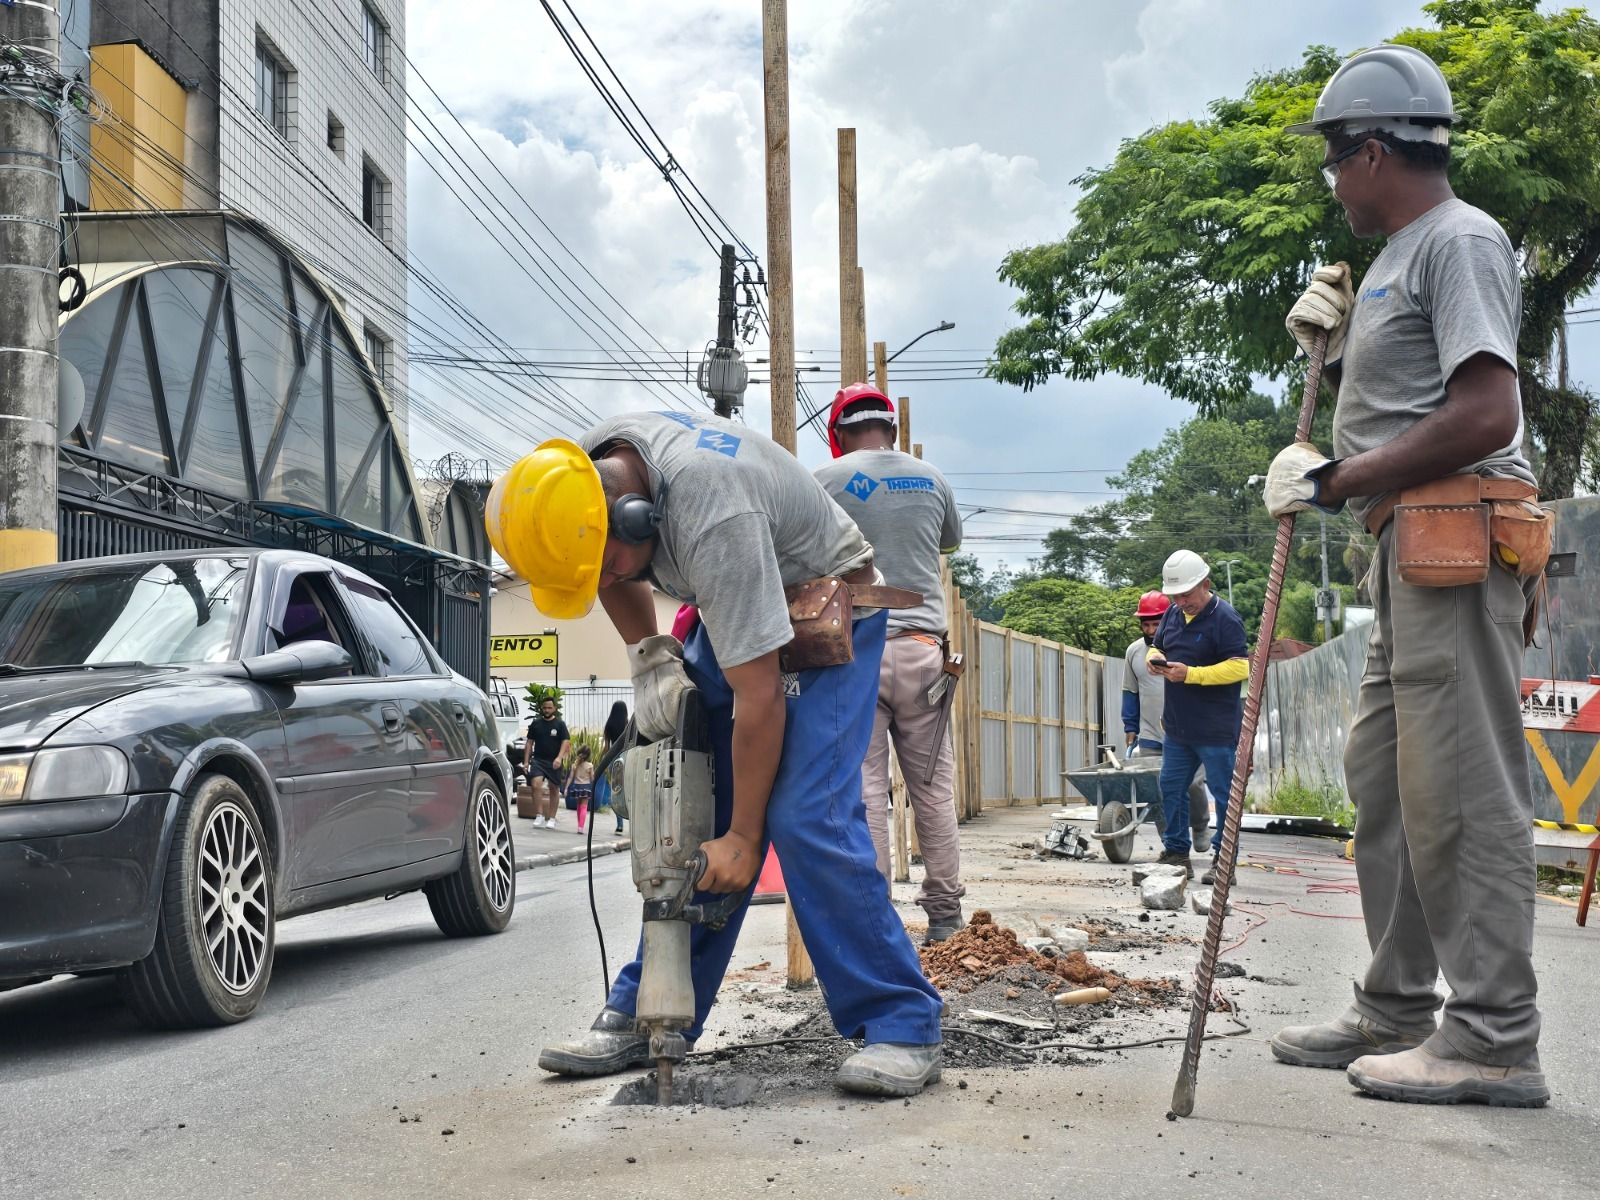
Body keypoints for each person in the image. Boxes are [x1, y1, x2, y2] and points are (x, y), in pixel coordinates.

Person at [488, 414, 944, 1096]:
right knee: (685, 809)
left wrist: (742, 837)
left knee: (802, 815)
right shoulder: (576, 483)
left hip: (822, 605)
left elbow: (759, 700)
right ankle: (655, 1012)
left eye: (610, 561)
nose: (608, 577)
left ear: (637, 519)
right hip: (736, 603)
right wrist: (650, 658)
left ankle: (903, 1021)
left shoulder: (711, 516)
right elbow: (608, 573)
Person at [1263, 44, 1547, 1106]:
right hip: (1405, 549)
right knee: (1386, 789)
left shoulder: (1459, 239)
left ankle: (1493, 1039)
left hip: (1452, 543)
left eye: (1335, 161)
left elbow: (1484, 414)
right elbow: (1419, 390)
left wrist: (1335, 478)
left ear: (1375, 150)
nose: (1331, 182)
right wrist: (1334, 355)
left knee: (1462, 794)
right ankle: (1395, 1008)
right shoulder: (1396, 257)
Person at [813, 384, 967, 943]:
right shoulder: (932, 478)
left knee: (866, 789)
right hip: (925, 654)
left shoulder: (824, 482)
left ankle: (876, 919)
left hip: (856, 655)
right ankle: (946, 918)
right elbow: (948, 542)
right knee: (932, 788)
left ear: (839, 432)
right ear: (892, 429)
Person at [1146, 550, 1248, 882]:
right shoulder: (1173, 615)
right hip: (1178, 726)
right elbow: (1156, 645)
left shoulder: (1226, 618)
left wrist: (1191, 674)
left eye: (1186, 594)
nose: (1180, 601)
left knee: (1222, 793)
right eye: (1174, 595)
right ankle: (1176, 853)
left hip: (1215, 729)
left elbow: (1239, 667)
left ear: (1206, 584)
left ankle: (1224, 859)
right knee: (1170, 787)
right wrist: (1155, 656)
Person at [1121, 590, 1211, 845]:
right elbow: (1130, 691)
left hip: (1188, 731)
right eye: (1146, 624)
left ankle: (1201, 826)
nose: (1151, 629)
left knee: (1193, 785)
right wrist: (1130, 725)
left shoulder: (1185, 645)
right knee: (1160, 790)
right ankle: (1170, 842)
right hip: (1151, 734)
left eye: (1156, 623)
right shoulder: (1134, 653)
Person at [522, 697, 571, 829]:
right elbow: (529, 743)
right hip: (538, 760)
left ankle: (552, 818)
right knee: (535, 784)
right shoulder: (536, 724)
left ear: (554, 708)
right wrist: (526, 761)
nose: (547, 710)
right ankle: (539, 814)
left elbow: (565, 741)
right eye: (545, 707)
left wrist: (559, 758)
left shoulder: (560, 724)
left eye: (549, 707)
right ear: (541, 708)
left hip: (554, 760)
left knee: (553, 788)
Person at [599, 699, 629, 834]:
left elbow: (606, 746)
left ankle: (619, 825)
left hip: (614, 759)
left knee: (616, 790)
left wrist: (605, 763)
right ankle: (633, 823)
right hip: (628, 758)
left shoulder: (609, 724)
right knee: (630, 791)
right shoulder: (628, 725)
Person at [565, 745, 595, 832]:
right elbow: (592, 778)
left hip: (577, 786)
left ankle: (579, 825)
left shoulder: (575, 765)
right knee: (584, 807)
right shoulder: (590, 765)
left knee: (578, 806)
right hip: (585, 787)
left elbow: (570, 777)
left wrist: (566, 788)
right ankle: (581, 827)